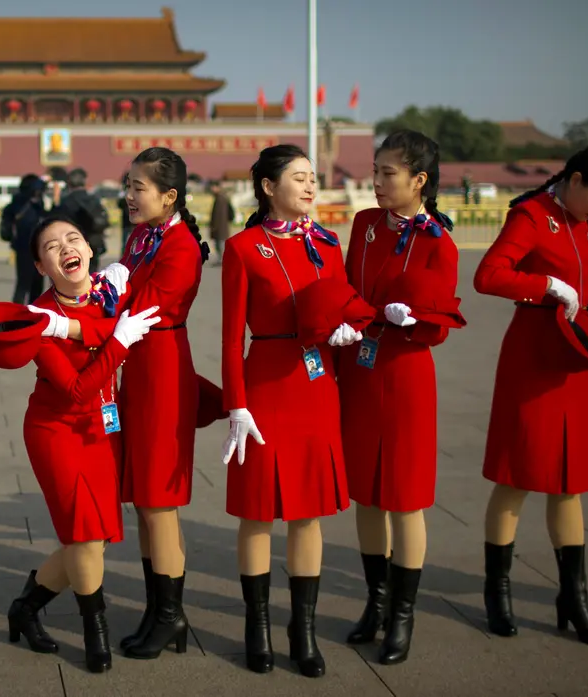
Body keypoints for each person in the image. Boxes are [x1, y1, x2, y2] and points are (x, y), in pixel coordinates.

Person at [30, 147, 209, 660]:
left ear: (168, 196)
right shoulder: (143, 236)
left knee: (159, 504)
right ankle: (158, 611)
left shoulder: (181, 246)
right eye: (127, 185)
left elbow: (137, 312)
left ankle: (171, 616)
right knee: (146, 503)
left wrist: (77, 318)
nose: (128, 196)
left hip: (160, 370)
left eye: (138, 188)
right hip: (134, 367)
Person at [0, 215, 161, 673]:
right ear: (40, 265)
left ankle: (26, 607)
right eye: (52, 247)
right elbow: (76, 390)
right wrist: (118, 343)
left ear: (90, 251)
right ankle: (96, 633)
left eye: (73, 239)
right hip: (57, 430)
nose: (65, 248)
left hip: (103, 429)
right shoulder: (37, 318)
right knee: (83, 533)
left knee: (92, 537)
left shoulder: (108, 293)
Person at [473, 143, 588, 646]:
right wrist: (546, 285)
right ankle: (497, 592)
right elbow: (488, 275)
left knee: (570, 479)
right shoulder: (532, 215)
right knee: (517, 474)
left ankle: (573, 596)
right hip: (534, 355)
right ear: (577, 179)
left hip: (575, 355)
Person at [220, 144, 366, 677]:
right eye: (299, 178)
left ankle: (301, 630)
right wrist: (236, 403)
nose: (310, 187)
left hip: (317, 384)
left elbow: (344, 302)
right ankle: (255, 627)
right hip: (265, 384)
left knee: (308, 513)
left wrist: (350, 328)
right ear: (267, 187)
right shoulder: (242, 248)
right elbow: (231, 335)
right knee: (257, 512)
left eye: (313, 178)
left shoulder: (328, 244)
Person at [337, 130, 464, 665]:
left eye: (389, 173)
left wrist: (413, 320)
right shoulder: (365, 225)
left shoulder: (440, 241)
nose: (377, 181)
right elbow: (346, 286)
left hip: (406, 374)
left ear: (419, 181)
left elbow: (443, 318)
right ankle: (377, 601)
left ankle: (404, 615)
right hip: (361, 370)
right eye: (376, 169)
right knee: (366, 493)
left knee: (404, 498)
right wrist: (346, 317)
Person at [54, 168, 109, 273]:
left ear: (69, 183)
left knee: (75, 274)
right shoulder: (93, 198)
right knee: (92, 274)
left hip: (73, 244)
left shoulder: (66, 202)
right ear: (84, 181)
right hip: (94, 242)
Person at [7, 176, 49, 304]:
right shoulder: (26, 204)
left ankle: (21, 315)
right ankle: (27, 315)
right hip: (31, 248)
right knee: (31, 285)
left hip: (23, 248)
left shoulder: (17, 203)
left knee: (25, 284)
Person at [209, 180, 234, 265]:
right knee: (219, 242)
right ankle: (221, 259)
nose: (212, 189)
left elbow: (218, 214)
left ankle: (223, 259)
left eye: (213, 187)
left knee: (220, 243)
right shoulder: (221, 197)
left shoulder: (220, 199)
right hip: (222, 225)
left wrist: (214, 226)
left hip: (220, 225)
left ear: (217, 188)